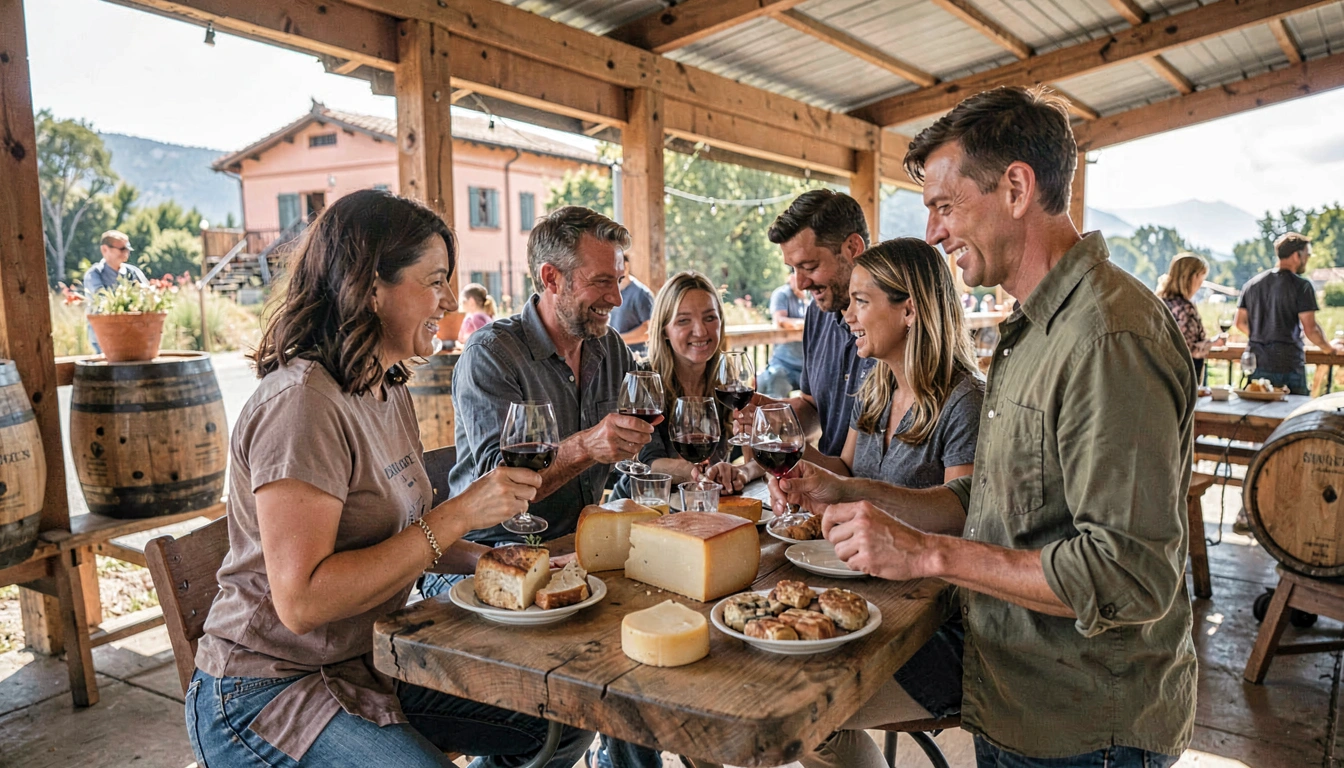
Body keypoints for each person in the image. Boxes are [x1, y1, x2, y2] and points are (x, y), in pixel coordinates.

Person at [777, 86, 1197, 768]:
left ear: (1015, 187)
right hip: (1014, 694)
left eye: (944, 205)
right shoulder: (1034, 328)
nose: (935, 232)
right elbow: (991, 504)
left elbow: (1128, 575)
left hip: (1084, 726)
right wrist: (852, 497)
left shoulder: (1106, 336)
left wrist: (928, 556)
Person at [187, 190, 594, 768]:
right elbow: (302, 602)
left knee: (560, 718)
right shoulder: (303, 405)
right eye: (434, 281)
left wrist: (496, 563)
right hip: (266, 693)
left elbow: (404, 536)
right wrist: (458, 511)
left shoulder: (384, 386)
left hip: (371, 661)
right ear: (371, 287)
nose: (449, 299)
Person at [786, 237, 982, 768]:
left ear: (911, 309)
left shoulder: (964, 400)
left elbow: (962, 512)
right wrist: (789, 457)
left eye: (861, 302)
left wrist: (847, 491)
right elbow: (846, 472)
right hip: (869, 597)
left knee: (806, 711)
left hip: (934, 628)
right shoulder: (877, 382)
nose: (847, 315)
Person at [424, 206, 653, 565]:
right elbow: (497, 486)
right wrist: (586, 446)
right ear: (551, 278)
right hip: (487, 557)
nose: (617, 299)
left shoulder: (611, 349)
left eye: (618, 281)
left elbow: (647, 428)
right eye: (601, 281)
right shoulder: (492, 353)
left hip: (578, 547)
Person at [758, 190, 874, 458]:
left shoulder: (895, 323)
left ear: (853, 248)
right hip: (829, 486)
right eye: (793, 269)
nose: (800, 283)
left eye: (809, 266)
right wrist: (772, 415)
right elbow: (814, 409)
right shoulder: (817, 313)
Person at [1236, 232, 1344, 394]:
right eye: (1307, 255)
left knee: (1258, 414)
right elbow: (1311, 329)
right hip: (1288, 364)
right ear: (1296, 255)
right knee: (1293, 416)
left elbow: (1239, 322)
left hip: (1258, 362)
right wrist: (1330, 349)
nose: (1307, 259)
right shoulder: (1302, 286)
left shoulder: (1252, 285)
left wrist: (1264, 336)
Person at [1159, 253, 1225, 381]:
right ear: (1192, 277)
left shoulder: (1161, 303)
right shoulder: (1185, 308)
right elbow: (1187, 349)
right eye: (1201, 277)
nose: (1201, 284)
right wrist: (1213, 343)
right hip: (1185, 377)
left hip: (1165, 376)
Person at [82, 229, 149, 353]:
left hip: (134, 336)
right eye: (122, 249)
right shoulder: (94, 274)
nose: (127, 252)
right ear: (105, 250)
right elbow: (101, 301)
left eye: (128, 248)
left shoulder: (133, 272)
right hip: (105, 339)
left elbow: (148, 296)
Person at [757, 273, 808, 397]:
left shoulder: (808, 297)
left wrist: (805, 300)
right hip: (784, 363)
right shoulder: (782, 294)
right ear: (791, 277)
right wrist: (803, 324)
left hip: (805, 365)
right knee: (775, 395)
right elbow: (780, 320)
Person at [609, 252, 655, 358]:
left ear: (626, 266)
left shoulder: (641, 294)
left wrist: (617, 340)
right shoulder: (610, 292)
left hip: (636, 357)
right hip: (615, 355)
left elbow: (649, 331)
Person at [456, 282, 497, 346]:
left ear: (471, 301)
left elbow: (482, 340)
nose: (461, 304)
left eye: (463, 301)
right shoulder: (487, 316)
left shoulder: (476, 317)